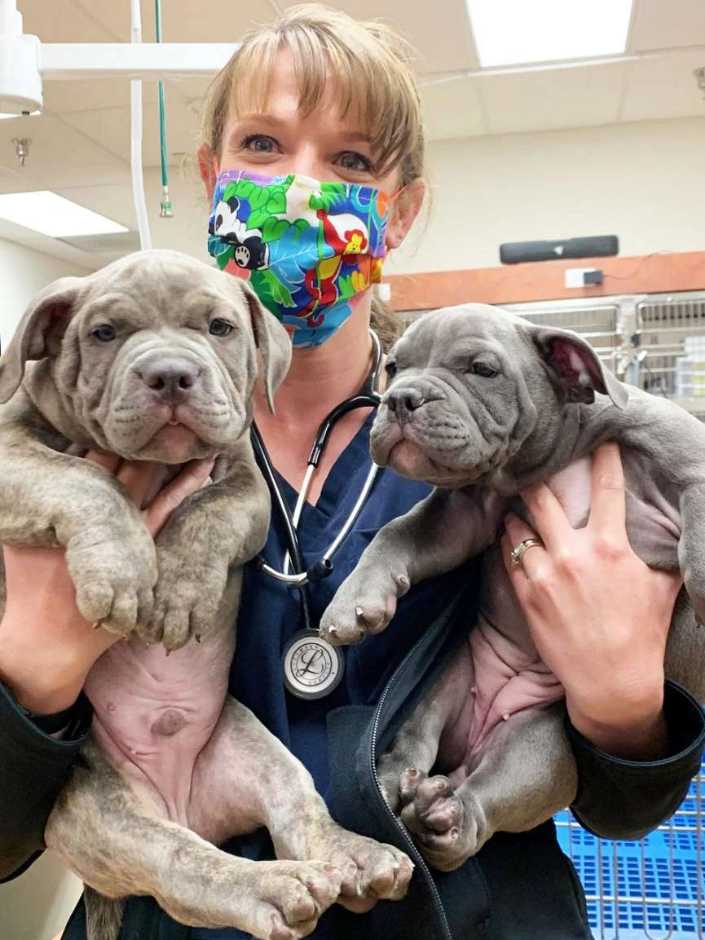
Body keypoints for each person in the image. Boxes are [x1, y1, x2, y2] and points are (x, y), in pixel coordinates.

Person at [1, 5, 704, 939]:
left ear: (400, 209)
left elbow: (623, 810)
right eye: (262, 144)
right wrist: (32, 681)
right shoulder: (78, 457)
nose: (299, 190)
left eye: (352, 161)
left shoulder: (499, 438)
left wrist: (624, 711)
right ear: (212, 178)